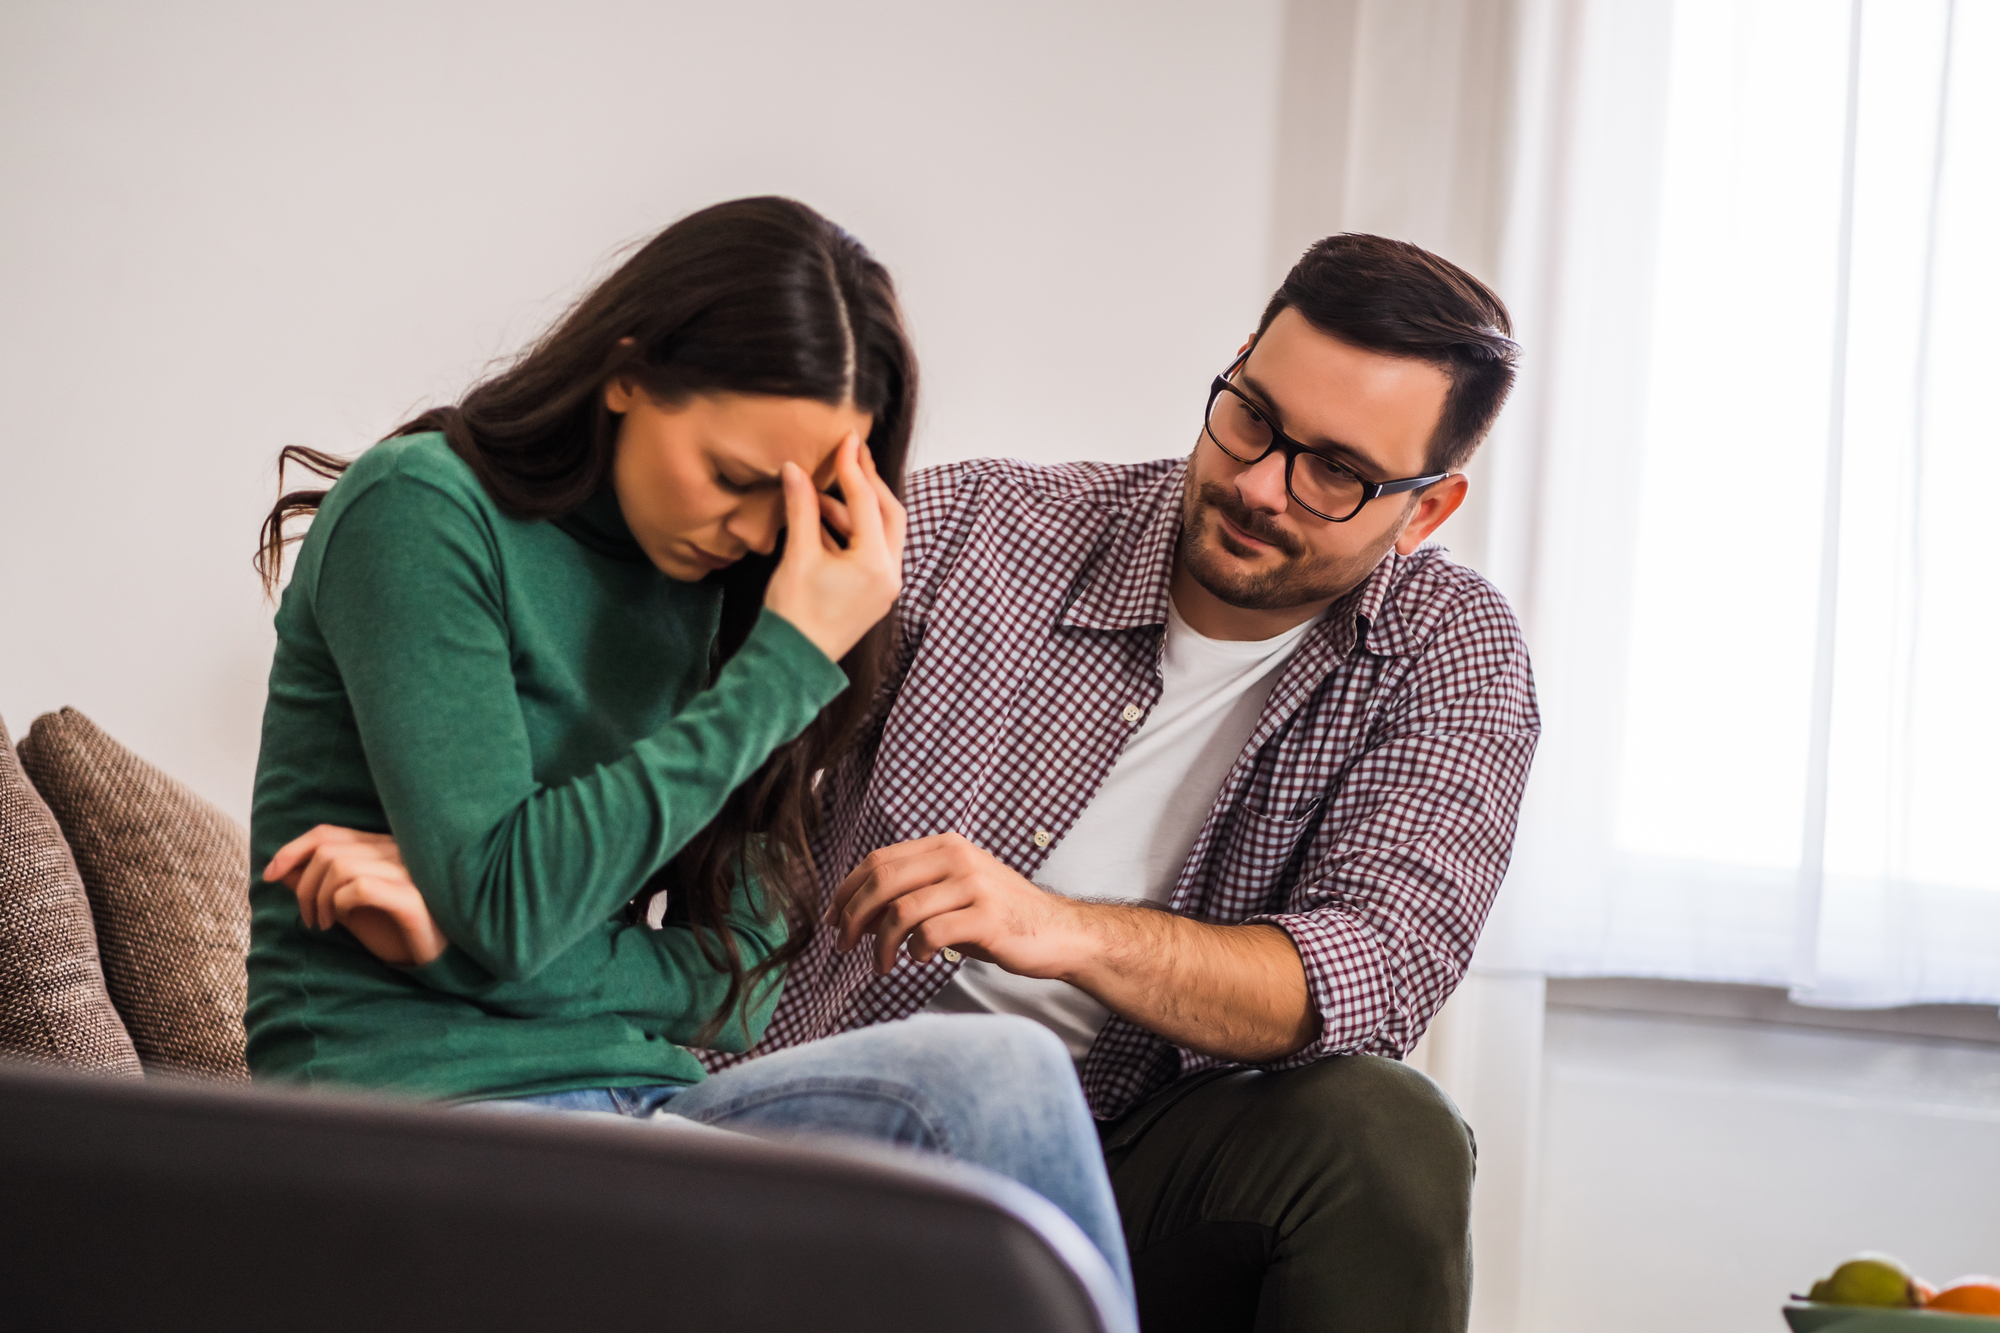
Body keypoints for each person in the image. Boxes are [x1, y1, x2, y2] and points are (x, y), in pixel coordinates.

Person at [309, 231, 1539, 1332]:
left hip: (1134, 1161)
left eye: (1334, 473)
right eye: (1250, 418)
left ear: (1427, 508)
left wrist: (1059, 932)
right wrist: (476, 886)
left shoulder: (1445, 656)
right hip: (830, 1110)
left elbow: (1367, 972)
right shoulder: (959, 538)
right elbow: (685, 833)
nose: (1262, 482)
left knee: (1387, 1132)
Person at [242, 196, 1132, 1299]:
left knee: (1004, 1070)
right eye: (733, 477)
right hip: (424, 1113)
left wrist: (448, 943)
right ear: (627, 373)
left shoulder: (734, 594)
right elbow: (513, 905)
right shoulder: (426, 513)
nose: (758, 534)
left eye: (795, 504)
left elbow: (735, 986)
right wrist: (787, 660)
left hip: (643, 1101)